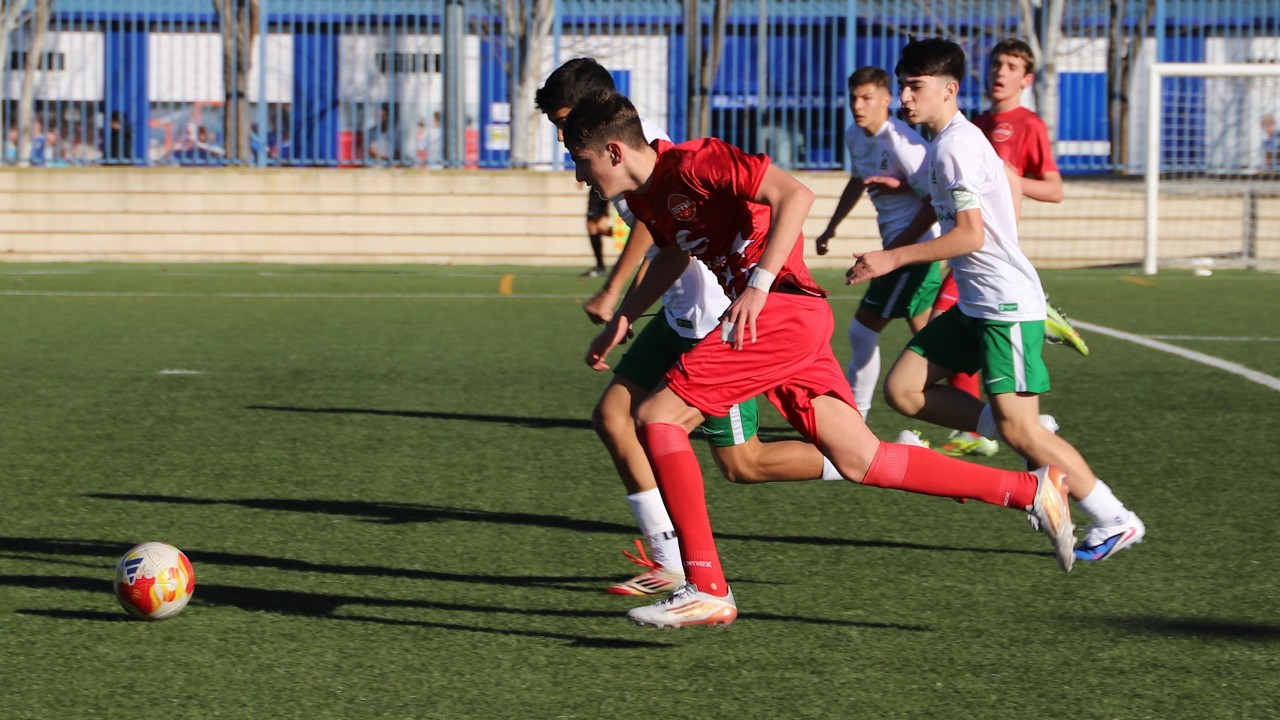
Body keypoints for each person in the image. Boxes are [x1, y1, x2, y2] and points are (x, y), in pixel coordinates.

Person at [567, 91, 1078, 629]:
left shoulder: (697, 160)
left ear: (615, 151)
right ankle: (1032, 490)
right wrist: (626, 315)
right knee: (862, 460)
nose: (580, 177)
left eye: (582, 162)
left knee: (658, 417)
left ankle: (707, 587)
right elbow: (675, 252)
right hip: (791, 319)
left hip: (779, 312)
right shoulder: (648, 199)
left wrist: (759, 285)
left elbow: (796, 194)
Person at [536, 58, 846, 598]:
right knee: (613, 417)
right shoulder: (603, 151)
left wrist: (614, 292)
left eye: (564, 122)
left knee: (743, 463)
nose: (563, 138)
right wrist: (626, 313)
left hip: (711, 315)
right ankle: (670, 560)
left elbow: (658, 232)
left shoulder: (638, 148)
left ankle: (858, 457)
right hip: (678, 311)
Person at [849, 37, 1144, 566]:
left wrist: (892, 258)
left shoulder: (956, 146)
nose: (906, 98)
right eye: (904, 87)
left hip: (1004, 306)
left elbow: (970, 235)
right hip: (977, 303)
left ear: (949, 90)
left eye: (915, 88)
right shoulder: (950, 142)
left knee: (1019, 428)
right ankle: (1026, 431)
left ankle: (1115, 518)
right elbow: (989, 194)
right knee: (904, 390)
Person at [924, 37, 1086, 457]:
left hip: (992, 252)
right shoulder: (971, 125)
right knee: (949, 333)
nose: (1001, 72)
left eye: (1012, 66)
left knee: (942, 324)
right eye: (997, 63)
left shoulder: (1029, 125)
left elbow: (1054, 190)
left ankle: (987, 430)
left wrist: (1008, 176)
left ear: (1027, 79)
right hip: (968, 247)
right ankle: (995, 426)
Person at [813, 66, 942, 420]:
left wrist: (893, 253)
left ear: (886, 100)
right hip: (899, 251)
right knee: (936, 345)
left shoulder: (903, 143)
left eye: (867, 98)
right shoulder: (855, 135)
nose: (858, 105)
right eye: (853, 98)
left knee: (861, 331)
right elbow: (857, 181)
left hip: (913, 253)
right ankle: (990, 414)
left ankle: (856, 418)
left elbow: (934, 203)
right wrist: (830, 229)